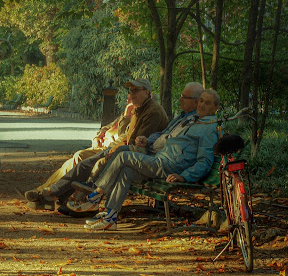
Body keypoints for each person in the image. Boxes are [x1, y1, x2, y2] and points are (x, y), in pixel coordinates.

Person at [80, 89, 220, 231]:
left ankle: (96, 195)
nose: (201, 105)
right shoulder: (194, 120)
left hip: (170, 166)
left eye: (207, 103)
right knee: (126, 171)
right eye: (201, 100)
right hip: (160, 160)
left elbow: (205, 161)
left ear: (216, 108)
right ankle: (110, 218)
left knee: (123, 156)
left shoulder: (209, 129)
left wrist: (184, 176)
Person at [63, 81, 205, 214]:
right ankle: (109, 215)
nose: (180, 100)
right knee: (124, 168)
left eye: (184, 97)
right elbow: (161, 135)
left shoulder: (203, 126)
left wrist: (184, 176)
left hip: (166, 164)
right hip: (156, 156)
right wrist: (148, 141)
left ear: (196, 101)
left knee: (119, 155)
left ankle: (93, 195)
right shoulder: (182, 117)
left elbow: (204, 160)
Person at [25, 78, 169, 210]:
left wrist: (113, 152)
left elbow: (137, 143)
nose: (131, 94)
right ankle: (53, 196)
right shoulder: (139, 109)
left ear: (147, 92)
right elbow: (124, 134)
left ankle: (51, 194)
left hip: (136, 158)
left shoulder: (153, 112)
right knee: (83, 164)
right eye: (130, 91)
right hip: (120, 150)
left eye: (135, 90)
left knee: (88, 164)